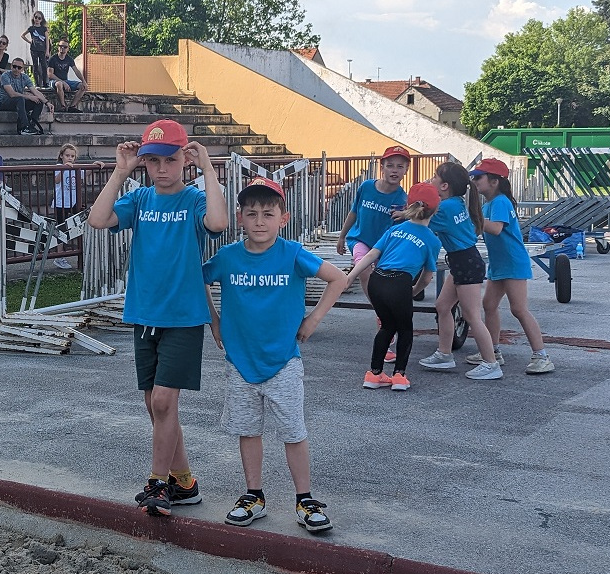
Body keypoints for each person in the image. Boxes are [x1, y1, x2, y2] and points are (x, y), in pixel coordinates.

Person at [87, 119, 229, 517]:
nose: (161, 169)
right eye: (152, 161)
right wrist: (120, 171)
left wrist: (209, 171)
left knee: (165, 401)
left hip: (183, 315)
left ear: (184, 158)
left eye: (169, 160)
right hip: (144, 313)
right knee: (155, 405)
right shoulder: (140, 199)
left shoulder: (195, 200)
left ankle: (157, 484)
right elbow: (98, 220)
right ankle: (185, 482)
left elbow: (218, 224)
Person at [202, 177, 343, 532]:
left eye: (268, 213)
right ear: (240, 218)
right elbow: (196, 279)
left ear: (284, 217)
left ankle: (305, 499)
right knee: (248, 431)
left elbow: (338, 278)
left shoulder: (293, 253)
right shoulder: (228, 257)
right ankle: (254, 495)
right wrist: (214, 320)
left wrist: (313, 319)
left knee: (294, 432)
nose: (260, 221)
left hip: (283, 361)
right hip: (240, 362)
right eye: (252, 214)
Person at [346, 182, 442, 391]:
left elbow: (372, 255)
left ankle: (374, 374)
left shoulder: (395, 229)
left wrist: (351, 275)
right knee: (405, 329)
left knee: (387, 327)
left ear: (409, 206)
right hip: (399, 284)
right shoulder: (432, 240)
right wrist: (411, 292)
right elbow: (426, 278)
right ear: (436, 209)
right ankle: (399, 375)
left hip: (377, 281)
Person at [468, 158, 555, 374]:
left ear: (495, 181)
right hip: (500, 263)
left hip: (513, 261)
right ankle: (493, 350)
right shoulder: (489, 204)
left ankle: (541, 355)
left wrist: (472, 218)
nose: (475, 181)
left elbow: (496, 228)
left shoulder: (500, 202)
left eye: (479, 177)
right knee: (489, 305)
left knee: (519, 309)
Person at [417, 162, 502, 380]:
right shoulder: (455, 202)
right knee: (442, 306)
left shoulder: (445, 209)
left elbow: (421, 222)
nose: (431, 180)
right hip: (462, 260)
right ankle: (444, 354)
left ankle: (491, 363)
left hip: (465, 262)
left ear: (444, 185)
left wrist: (403, 214)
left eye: (435, 177)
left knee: (472, 315)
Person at [336, 145, 410, 364]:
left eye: (400, 166)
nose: (394, 170)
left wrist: (405, 214)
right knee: (364, 269)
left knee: (385, 282)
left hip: (384, 247)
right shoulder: (367, 187)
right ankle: (381, 313)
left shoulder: (402, 197)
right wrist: (342, 236)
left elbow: (416, 217)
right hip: (360, 240)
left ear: (406, 169)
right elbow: (353, 212)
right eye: (390, 165)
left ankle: (387, 321)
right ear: (382, 167)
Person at [50, 143, 104, 269]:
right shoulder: (59, 166)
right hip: (61, 203)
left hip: (74, 202)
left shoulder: (76, 168)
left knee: (78, 226)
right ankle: (59, 257)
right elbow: (57, 180)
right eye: (67, 155)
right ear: (61, 156)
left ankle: (80, 253)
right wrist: (64, 169)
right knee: (61, 229)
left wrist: (95, 165)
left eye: (72, 156)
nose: (70, 158)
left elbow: (85, 174)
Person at [0, 57, 53, 136]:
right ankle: (25, 127)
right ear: (11, 66)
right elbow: (12, 94)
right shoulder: (5, 75)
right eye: (14, 66)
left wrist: (47, 102)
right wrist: (29, 97)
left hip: (19, 103)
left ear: (22, 69)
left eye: (19, 67)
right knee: (20, 99)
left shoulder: (24, 77)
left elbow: (35, 91)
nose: (16, 69)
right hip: (4, 103)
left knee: (38, 102)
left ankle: (31, 126)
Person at [47, 38, 87, 113]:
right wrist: (63, 82)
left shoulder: (69, 59)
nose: (62, 48)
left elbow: (76, 71)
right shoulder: (53, 59)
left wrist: (84, 81)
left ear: (68, 48)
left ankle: (72, 106)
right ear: (58, 47)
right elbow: (50, 74)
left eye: (65, 47)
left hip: (65, 81)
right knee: (59, 84)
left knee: (83, 86)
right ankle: (63, 106)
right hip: (54, 82)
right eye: (60, 46)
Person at [21, 11, 49, 87]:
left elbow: (47, 41)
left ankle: (45, 83)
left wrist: (47, 51)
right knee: (35, 65)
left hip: (42, 50)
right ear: (33, 18)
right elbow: (23, 35)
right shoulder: (31, 28)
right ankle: (36, 83)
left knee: (44, 66)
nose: (37, 19)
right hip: (34, 49)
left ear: (41, 19)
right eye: (36, 17)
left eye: (39, 18)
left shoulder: (44, 29)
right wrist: (30, 42)